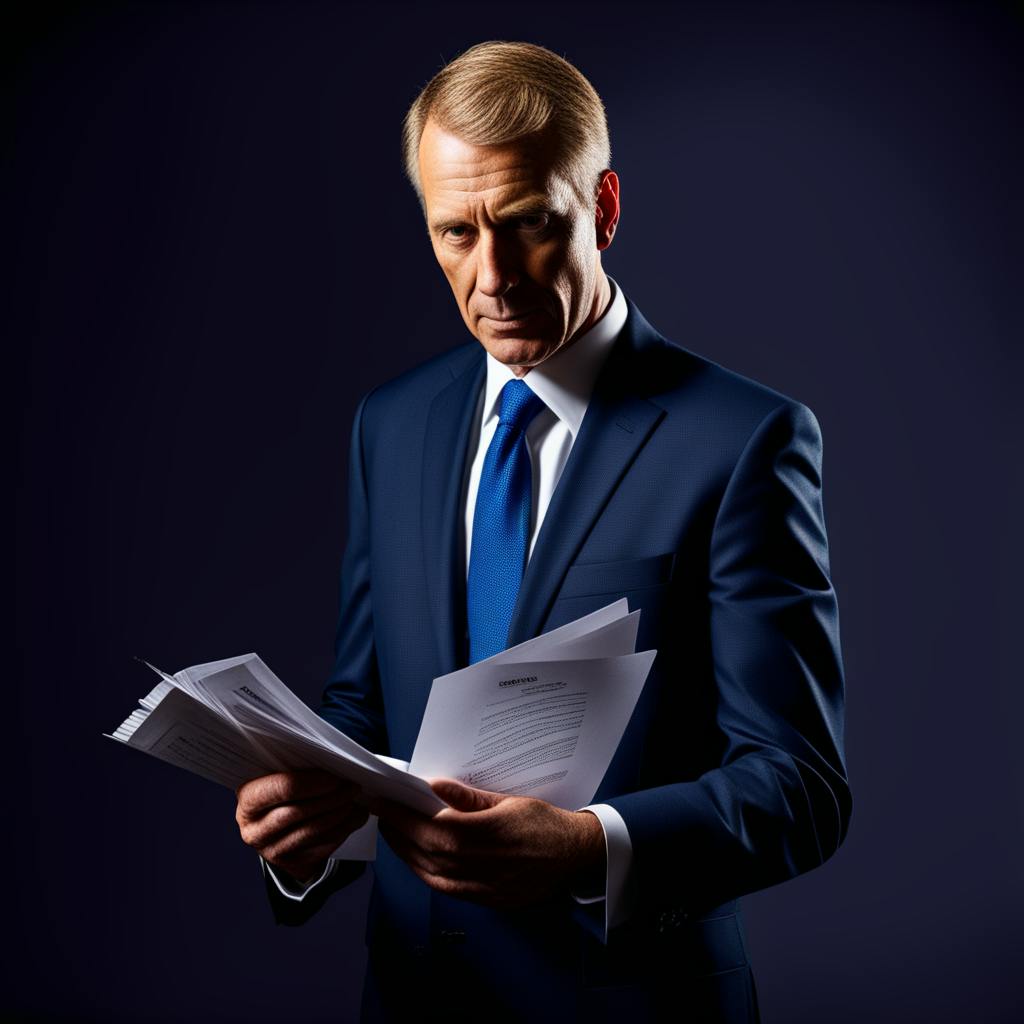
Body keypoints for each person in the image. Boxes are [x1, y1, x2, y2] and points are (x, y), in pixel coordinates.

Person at [233, 41, 850, 1023]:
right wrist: (310, 830)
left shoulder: (744, 439)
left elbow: (799, 787)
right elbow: (365, 706)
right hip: (412, 997)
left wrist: (590, 845)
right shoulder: (389, 425)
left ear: (602, 209)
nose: (491, 276)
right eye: (454, 233)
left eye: (526, 224)